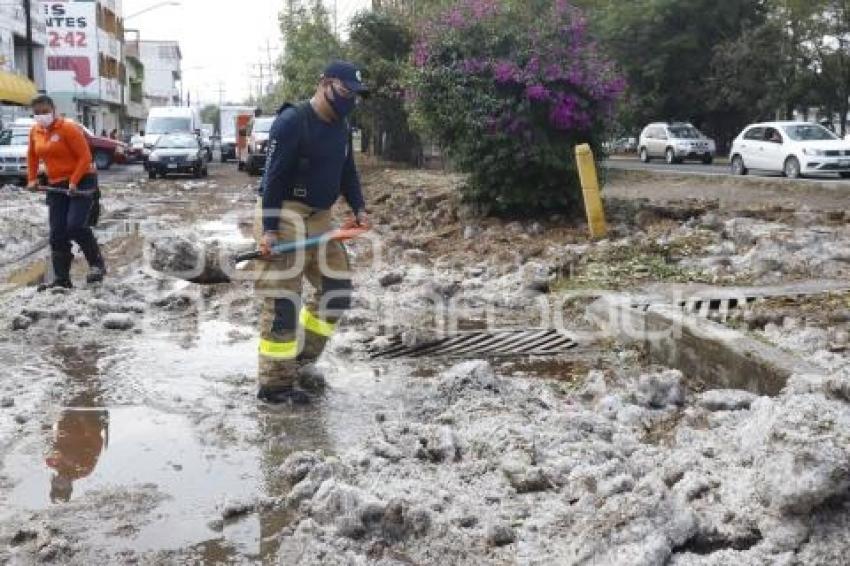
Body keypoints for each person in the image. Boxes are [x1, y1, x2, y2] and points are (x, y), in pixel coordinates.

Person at [255, 60, 369, 405]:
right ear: (325, 84)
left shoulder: (342, 125)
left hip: (321, 216)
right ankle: (275, 386)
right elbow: (272, 178)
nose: (351, 100)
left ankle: (301, 359)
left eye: (356, 95)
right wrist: (270, 230)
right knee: (283, 299)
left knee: (337, 288)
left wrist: (359, 207)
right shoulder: (293, 122)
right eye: (346, 91)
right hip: (285, 210)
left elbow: (347, 169)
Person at [27, 94, 106, 288]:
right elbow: (32, 156)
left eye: (45, 111)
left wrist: (74, 181)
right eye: (37, 113)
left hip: (83, 180)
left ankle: (97, 265)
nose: (41, 116)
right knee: (57, 232)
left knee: (75, 226)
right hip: (55, 184)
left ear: (53, 109)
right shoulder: (35, 131)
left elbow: (85, 157)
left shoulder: (68, 128)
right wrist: (32, 178)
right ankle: (62, 279)